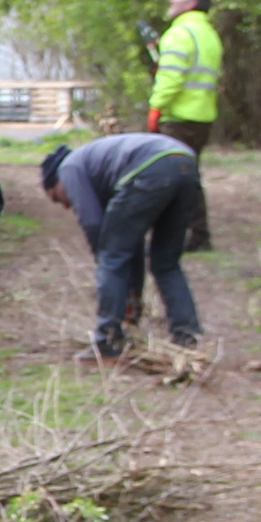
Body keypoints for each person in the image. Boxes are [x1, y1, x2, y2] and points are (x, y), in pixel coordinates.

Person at [41, 132, 204, 359]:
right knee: (166, 263)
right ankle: (187, 337)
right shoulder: (100, 171)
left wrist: (107, 267)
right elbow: (129, 242)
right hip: (185, 163)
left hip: (152, 167)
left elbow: (93, 224)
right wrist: (131, 294)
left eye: (57, 198)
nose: (65, 206)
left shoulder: (69, 168)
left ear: (56, 181)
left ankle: (107, 342)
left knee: (112, 258)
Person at [149, 0, 223, 251]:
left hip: (177, 117)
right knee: (188, 177)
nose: (172, 0)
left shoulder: (179, 34)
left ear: (190, 4)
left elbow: (170, 78)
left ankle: (171, 240)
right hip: (203, 116)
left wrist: (156, 107)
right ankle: (199, 237)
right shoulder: (209, 34)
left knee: (167, 178)